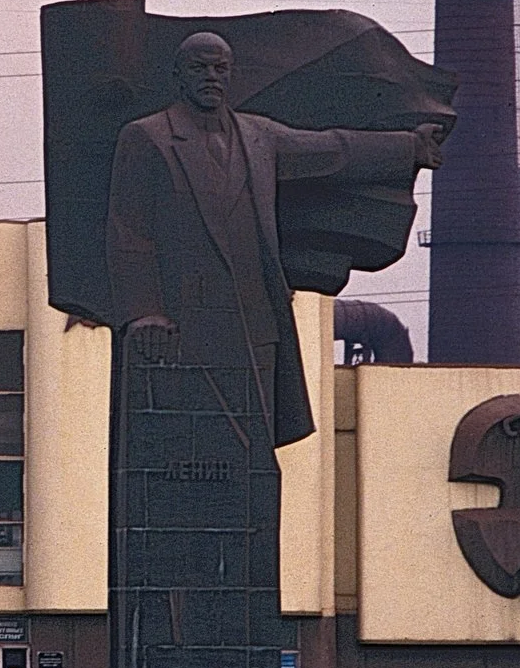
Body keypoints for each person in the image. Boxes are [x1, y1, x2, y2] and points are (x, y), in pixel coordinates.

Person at [105, 31, 443, 445]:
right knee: (188, 453)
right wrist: (144, 311)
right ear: (178, 75)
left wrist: (409, 148)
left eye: (220, 68)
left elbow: (332, 149)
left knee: (253, 457)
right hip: (184, 326)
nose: (211, 76)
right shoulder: (148, 137)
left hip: (255, 322)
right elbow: (130, 232)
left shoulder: (258, 137)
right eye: (199, 67)